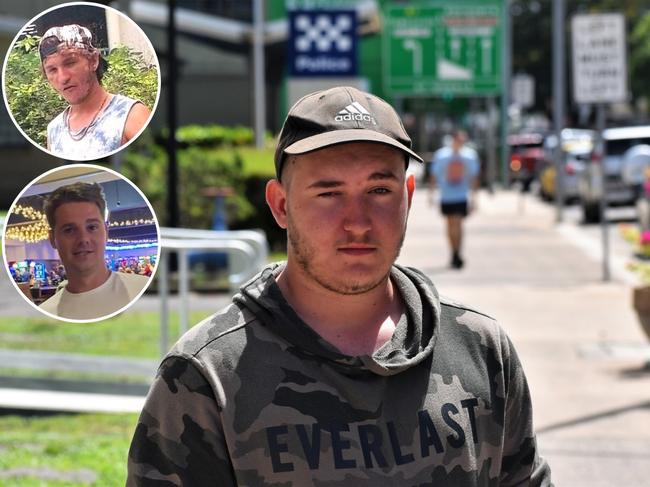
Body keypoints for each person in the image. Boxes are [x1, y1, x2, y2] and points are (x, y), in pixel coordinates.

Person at [127, 86, 552, 486]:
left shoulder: (480, 348)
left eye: (380, 190)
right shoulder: (205, 378)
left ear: (408, 195)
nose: (358, 221)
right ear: (280, 205)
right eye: (329, 193)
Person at [38, 24, 151, 160]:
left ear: (93, 61)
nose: (63, 78)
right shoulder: (54, 130)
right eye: (52, 70)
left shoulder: (130, 115)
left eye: (70, 63)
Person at [39, 182, 149, 320]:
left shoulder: (143, 289)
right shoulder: (45, 314)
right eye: (69, 230)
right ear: (52, 239)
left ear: (106, 232)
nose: (83, 239)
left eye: (92, 227)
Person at [429, 129, 480, 269]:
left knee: (458, 223)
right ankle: (453, 252)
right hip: (446, 196)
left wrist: (474, 198)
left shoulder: (469, 156)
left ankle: (457, 252)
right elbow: (434, 175)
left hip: (461, 196)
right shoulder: (441, 155)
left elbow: (474, 178)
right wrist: (431, 194)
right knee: (450, 224)